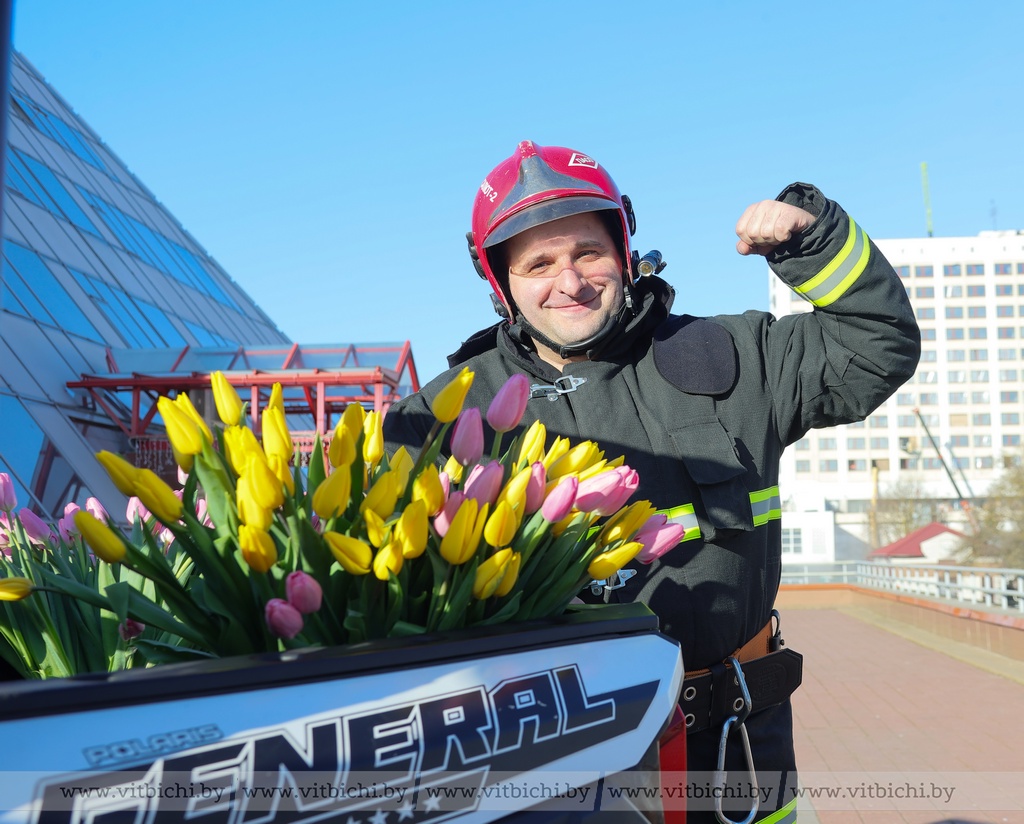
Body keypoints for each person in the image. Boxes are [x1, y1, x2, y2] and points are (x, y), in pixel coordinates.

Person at [383, 141, 921, 822]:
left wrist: (813, 238)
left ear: (625, 250)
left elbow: (878, 347)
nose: (569, 281)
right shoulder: (442, 415)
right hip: (559, 776)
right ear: (501, 283)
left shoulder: (732, 355)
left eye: (587, 252)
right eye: (538, 264)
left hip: (740, 754)